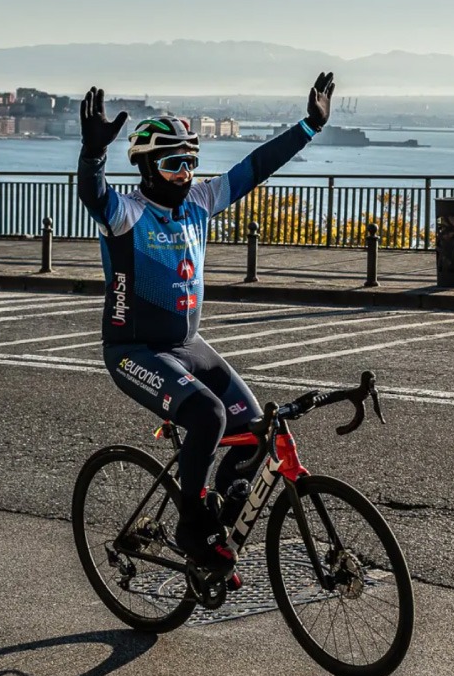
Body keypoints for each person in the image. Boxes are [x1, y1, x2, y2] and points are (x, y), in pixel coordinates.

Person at [76, 74, 336, 571]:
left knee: (256, 430)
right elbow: (93, 193)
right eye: (174, 164)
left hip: (187, 342)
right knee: (207, 416)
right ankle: (191, 523)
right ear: (148, 167)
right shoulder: (126, 214)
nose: (186, 174)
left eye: (191, 163)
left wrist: (309, 126)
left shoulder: (198, 204)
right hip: (134, 350)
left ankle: (221, 513)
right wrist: (92, 155)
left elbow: (255, 166)